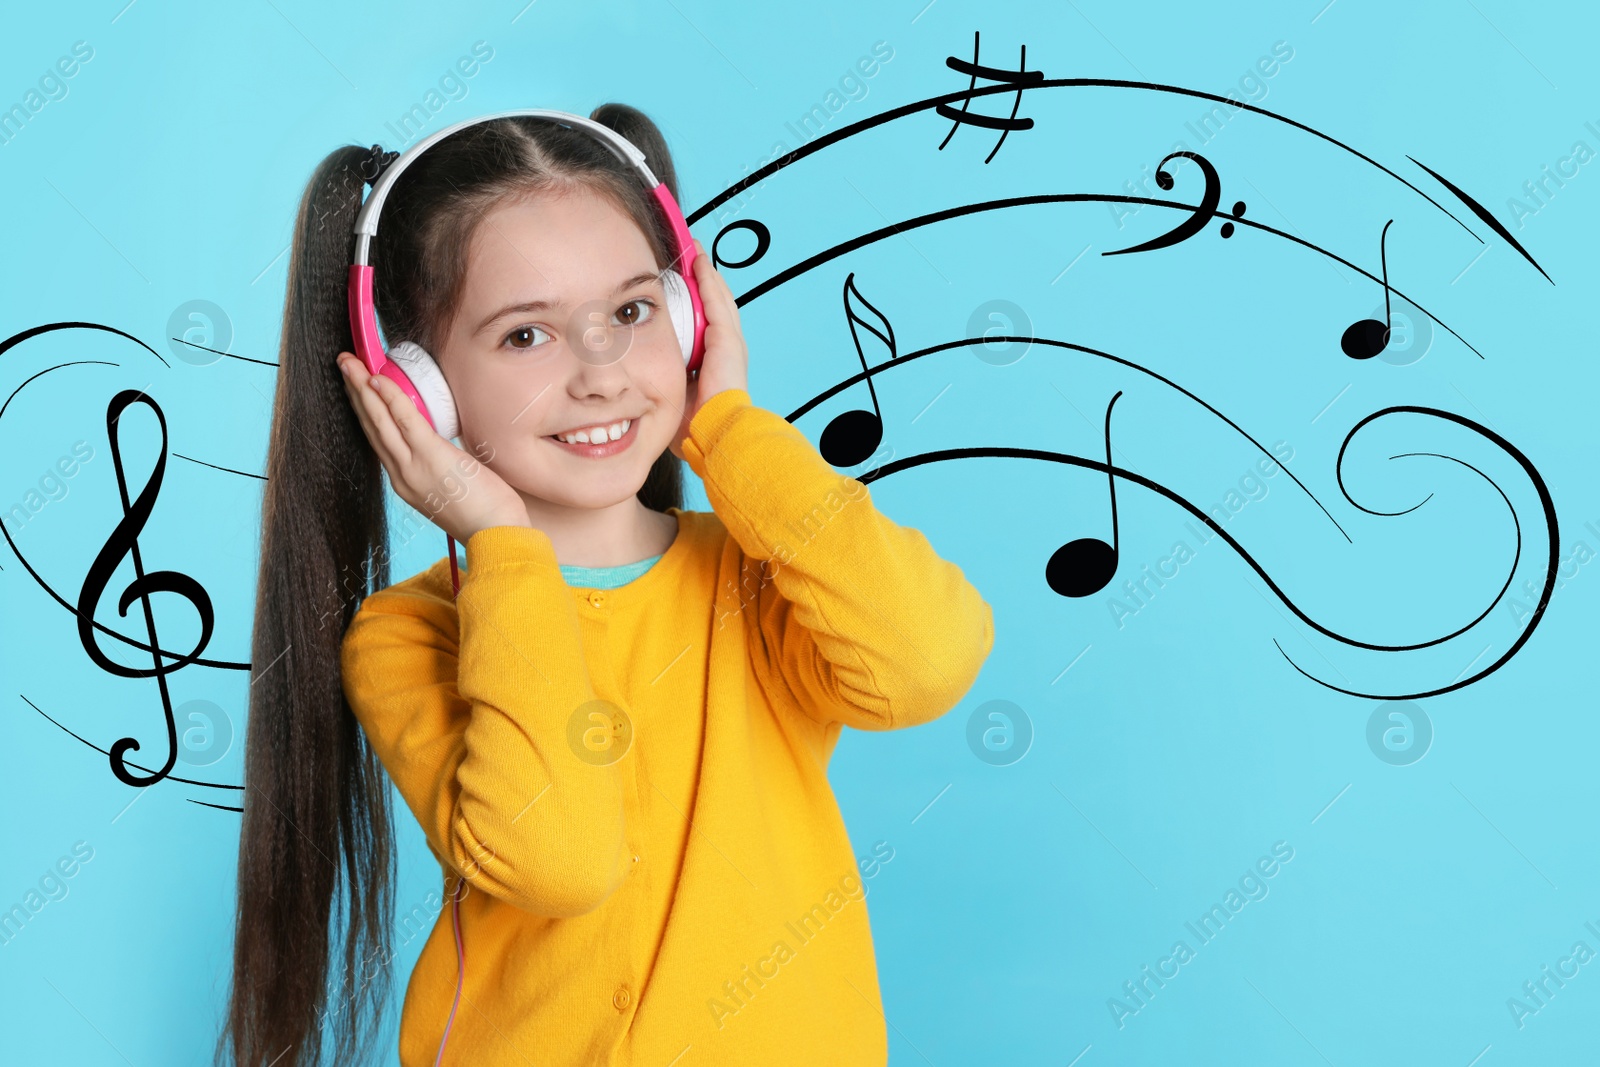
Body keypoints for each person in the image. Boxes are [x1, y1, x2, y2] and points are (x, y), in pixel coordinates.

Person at [221, 102, 994, 1066]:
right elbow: (562, 858)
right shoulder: (407, 635)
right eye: (525, 336)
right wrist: (501, 544)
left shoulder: (766, 575)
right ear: (416, 385)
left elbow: (925, 660)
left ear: (687, 315)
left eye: (632, 313)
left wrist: (732, 431)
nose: (600, 373)